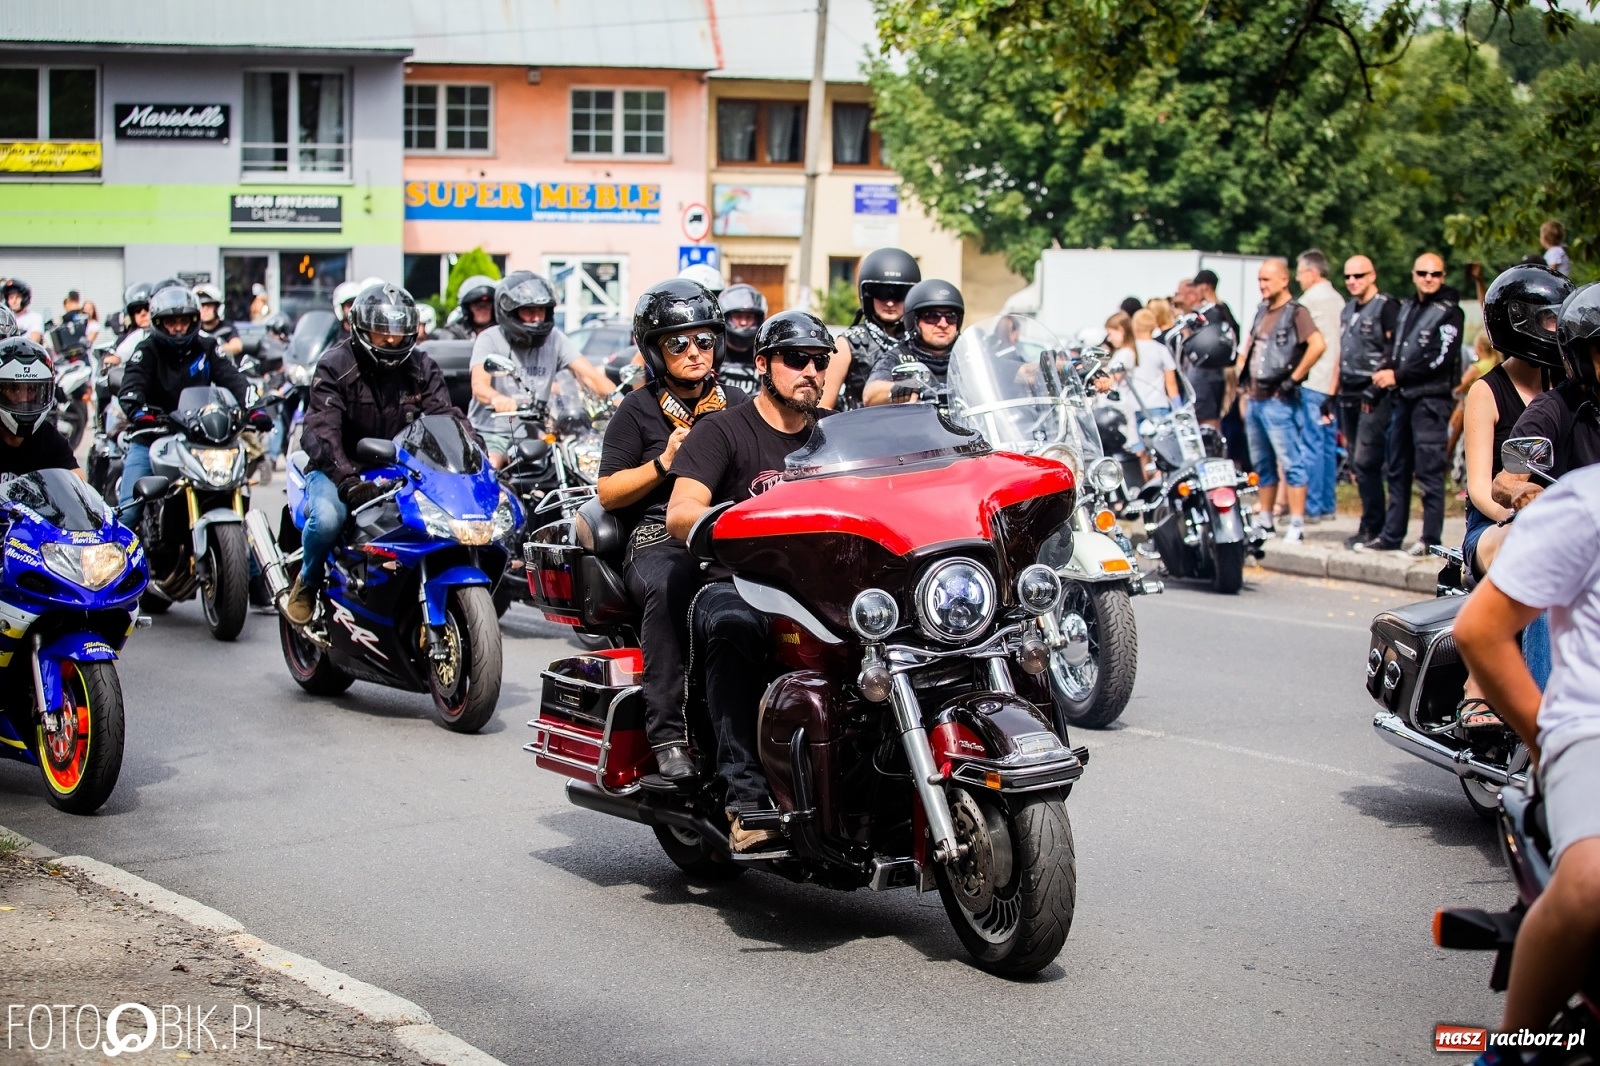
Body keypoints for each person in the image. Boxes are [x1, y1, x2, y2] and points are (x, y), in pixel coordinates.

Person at [665, 310, 834, 852]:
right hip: (737, 581)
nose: (811, 371)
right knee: (735, 626)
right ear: (763, 364)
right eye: (796, 359)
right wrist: (728, 522)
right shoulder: (723, 430)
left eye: (820, 361)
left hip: (821, 584)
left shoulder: (833, 436)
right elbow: (681, 510)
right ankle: (747, 798)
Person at [1454, 462, 1600, 1048]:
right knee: (1592, 885)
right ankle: (1514, 1047)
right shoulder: (1584, 501)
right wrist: (1544, 743)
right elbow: (1480, 629)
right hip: (1589, 730)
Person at [599, 280, 750, 783]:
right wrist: (663, 463)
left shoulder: (740, 402)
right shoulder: (637, 409)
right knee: (670, 584)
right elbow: (608, 491)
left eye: (703, 340)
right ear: (655, 351)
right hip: (657, 536)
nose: (694, 352)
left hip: (733, 528)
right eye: (678, 343)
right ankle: (668, 735)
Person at [288, 284, 466, 624]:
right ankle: (308, 583)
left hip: (403, 469)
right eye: (381, 334)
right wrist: (347, 481)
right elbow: (321, 430)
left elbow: (445, 416)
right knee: (327, 520)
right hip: (339, 469)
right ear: (359, 329)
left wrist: (474, 460)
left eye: (399, 335)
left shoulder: (421, 366)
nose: (391, 342)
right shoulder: (335, 365)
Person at [117, 286, 262, 523]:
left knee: (233, 492)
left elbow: (233, 378)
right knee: (129, 513)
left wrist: (255, 409)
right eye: (171, 321)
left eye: (184, 321)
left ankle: (248, 558)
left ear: (194, 320)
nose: (178, 328)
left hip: (198, 437)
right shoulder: (146, 350)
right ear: (158, 322)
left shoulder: (206, 347)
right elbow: (132, 386)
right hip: (152, 436)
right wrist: (138, 411)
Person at [1364, 252, 1463, 555]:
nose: (1428, 278)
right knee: (1396, 468)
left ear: (1443, 276)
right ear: (1414, 274)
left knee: (1429, 472)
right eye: (1422, 273)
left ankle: (1430, 540)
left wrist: (1398, 374)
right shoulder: (1406, 307)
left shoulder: (1451, 312)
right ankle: (1392, 535)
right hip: (1403, 399)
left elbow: (1439, 359)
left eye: (1435, 273)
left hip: (1431, 401)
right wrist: (1379, 384)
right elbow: (1396, 350)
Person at [468, 271, 616, 469]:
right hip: (494, 431)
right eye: (528, 311)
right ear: (509, 311)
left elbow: (590, 376)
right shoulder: (490, 338)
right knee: (492, 468)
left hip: (539, 431)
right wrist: (497, 399)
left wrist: (620, 400)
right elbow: (479, 386)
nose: (537, 317)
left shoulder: (555, 338)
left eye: (541, 310)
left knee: (580, 465)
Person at [1236, 258, 1325, 542]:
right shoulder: (1262, 310)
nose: (1262, 285)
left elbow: (1318, 344)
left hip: (1279, 399)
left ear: (1284, 280)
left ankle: (1297, 522)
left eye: (1267, 280)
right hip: (1256, 396)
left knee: (1291, 460)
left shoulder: (1295, 312)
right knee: (1261, 462)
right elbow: (1250, 345)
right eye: (1260, 280)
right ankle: (1266, 519)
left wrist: (1294, 378)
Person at [1493, 282, 1600, 515]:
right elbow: (1505, 481)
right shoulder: (1552, 411)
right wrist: (1520, 488)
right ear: (1582, 357)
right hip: (1573, 532)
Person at [1337, 255, 1401, 549]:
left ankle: (1375, 525)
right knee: (1355, 460)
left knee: (1367, 460)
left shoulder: (1386, 306)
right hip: (1348, 390)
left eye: (1359, 276)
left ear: (1372, 275)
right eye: (1348, 276)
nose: (1353, 281)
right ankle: (1367, 521)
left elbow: (1393, 349)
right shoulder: (1348, 308)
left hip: (1373, 391)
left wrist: (1376, 388)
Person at [838, 247, 920, 409]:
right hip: (861, 430)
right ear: (867, 295)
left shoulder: (918, 341)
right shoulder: (849, 344)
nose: (890, 302)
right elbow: (822, 410)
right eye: (881, 292)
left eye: (899, 294)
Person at [1294, 250, 1343, 522]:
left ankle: (1312, 507)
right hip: (1333, 381)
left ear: (1312, 274)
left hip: (1313, 379)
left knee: (1310, 445)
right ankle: (1328, 505)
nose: (1298, 279)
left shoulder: (1308, 301)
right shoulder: (1338, 298)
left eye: (1300, 273)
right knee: (1326, 446)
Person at [862, 279, 963, 406]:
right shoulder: (897, 357)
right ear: (914, 321)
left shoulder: (967, 357)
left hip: (966, 425)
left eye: (951, 316)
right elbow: (870, 395)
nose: (943, 324)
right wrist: (902, 388)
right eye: (932, 316)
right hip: (921, 424)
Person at [0, 337, 80, 479]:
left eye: (31, 389)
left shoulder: (47, 437)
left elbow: (78, 482)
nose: (23, 398)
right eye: (14, 388)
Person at [1181, 269, 1242, 433]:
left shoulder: (1211, 313)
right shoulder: (1223, 310)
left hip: (1207, 373)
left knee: (1206, 419)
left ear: (1206, 286)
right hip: (1216, 372)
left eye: (1198, 286)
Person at [717, 282, 768, 391]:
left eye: (749, 317)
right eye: (738, 316)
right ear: (726, 317)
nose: (744, 322)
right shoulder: (713, 352)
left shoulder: (765, 353)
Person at [432, 275, 497, 341]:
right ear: (467, 308)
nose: (483, 310)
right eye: (477, 305)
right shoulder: (455, 332)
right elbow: (446, 348)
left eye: (487, 305)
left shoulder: (502, 331)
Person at [194, 284, 242, 358]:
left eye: (209, 306)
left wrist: (219, 349)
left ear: (218, 308)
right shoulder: (194, 329)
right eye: (202, 306)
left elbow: (237, 346)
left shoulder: (227, 327)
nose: (205, 310)